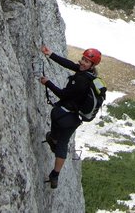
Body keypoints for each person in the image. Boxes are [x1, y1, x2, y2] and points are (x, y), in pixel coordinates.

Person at [39, 45, 102, 188]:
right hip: (74, 119)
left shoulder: (80, 81)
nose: (82, 62)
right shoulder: (90, 77)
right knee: (63, 144)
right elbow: (70, 64)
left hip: (62, 115)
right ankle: (55, 175)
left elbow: (62, 95)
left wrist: (47, 82)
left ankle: (53, 138)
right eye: (83, 59)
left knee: (55, 119)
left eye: (86, 61)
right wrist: (51, 54)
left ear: (92, 64)